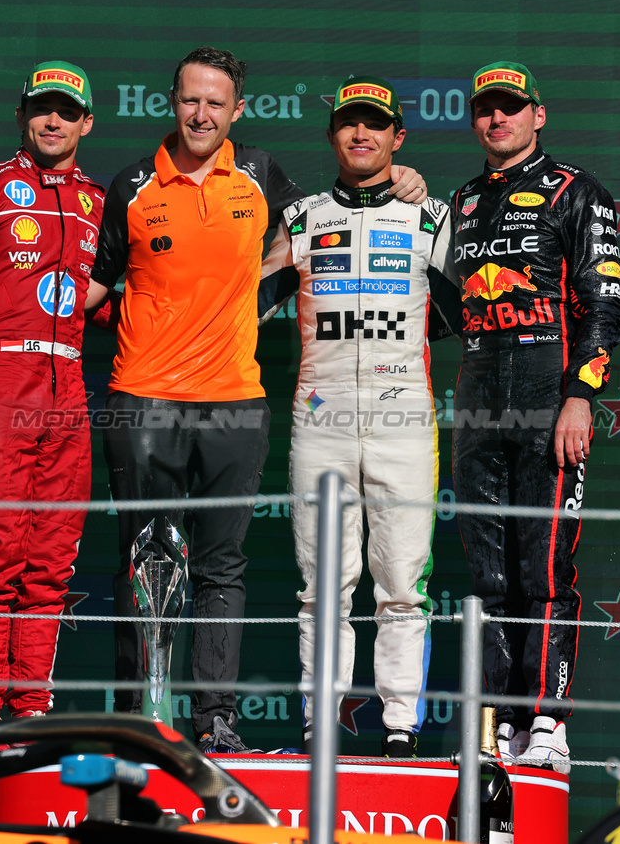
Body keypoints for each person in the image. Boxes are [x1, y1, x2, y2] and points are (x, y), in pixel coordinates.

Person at [90, 47, 427, 753]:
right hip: (142, 397)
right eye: (190, 100)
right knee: (142, 561)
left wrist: (399, 180)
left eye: (216, 102)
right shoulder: (127, 186)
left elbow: (330, 218)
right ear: (170, 101)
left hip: (235, 401)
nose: (201, 114)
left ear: (236, 111)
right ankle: (138, 719)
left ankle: (215, 725)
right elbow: (90, 289)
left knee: (222, 569)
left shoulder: (264, 176)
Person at [258, 76, 459, 757]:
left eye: (375, 125)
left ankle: (399, 728)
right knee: (321, 587)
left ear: (397, 137)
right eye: (348, 123)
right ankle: (321, 728)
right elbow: (245, 306)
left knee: (402, 583)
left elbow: (467, 314)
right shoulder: (301, 219)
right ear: (332, 135)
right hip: (319, 417)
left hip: (404, 415)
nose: (360, 135)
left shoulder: (432, 215)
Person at [0, 61, 117, 724]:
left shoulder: (98, 201)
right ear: (21, 115)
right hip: (1, 385)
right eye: (42, 108)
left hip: (68, 390)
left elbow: (98, 304)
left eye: (67, 110)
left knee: (52, 560)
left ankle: (31, 706)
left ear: (87, 122)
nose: (53, 120)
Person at [448, 61, 620, 770]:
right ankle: (500, 724)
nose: (498, 120)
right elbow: (438, 308)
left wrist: (581, 395)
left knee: (546, 567)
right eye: (486, 109)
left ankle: (548, 721)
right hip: (475, 398)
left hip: (548, 397)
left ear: (536, 115)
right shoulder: (459, 202)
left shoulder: (575, 191)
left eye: (511, 108)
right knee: (488, 574)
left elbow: (603, 303)